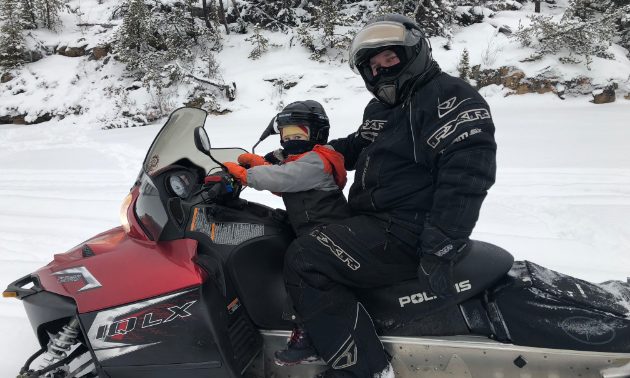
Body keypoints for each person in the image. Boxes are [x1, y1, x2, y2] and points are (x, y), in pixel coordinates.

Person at [271, 13, 498, 378]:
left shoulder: (449, 98)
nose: (381, 72)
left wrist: (441, 245)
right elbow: (355, 146)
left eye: (389, 59)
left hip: (409, 231)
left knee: (306, 256)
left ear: (414, 51)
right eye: (373, 66)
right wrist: (304, 156)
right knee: (289, 231)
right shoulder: (383, 107)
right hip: (375, 221)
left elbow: (467, 176)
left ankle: (364, 369)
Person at [223, 100, 352, 366]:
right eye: (286, 134)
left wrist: (246, 174)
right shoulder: (303, 161)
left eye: (299, 133)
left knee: (302, 271)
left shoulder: (318, 161)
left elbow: (284, 178)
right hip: (311, 228)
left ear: (317, 134)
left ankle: (307, 336)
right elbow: (286, 176)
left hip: (327, 233)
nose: (291, 139)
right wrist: (259, 163)